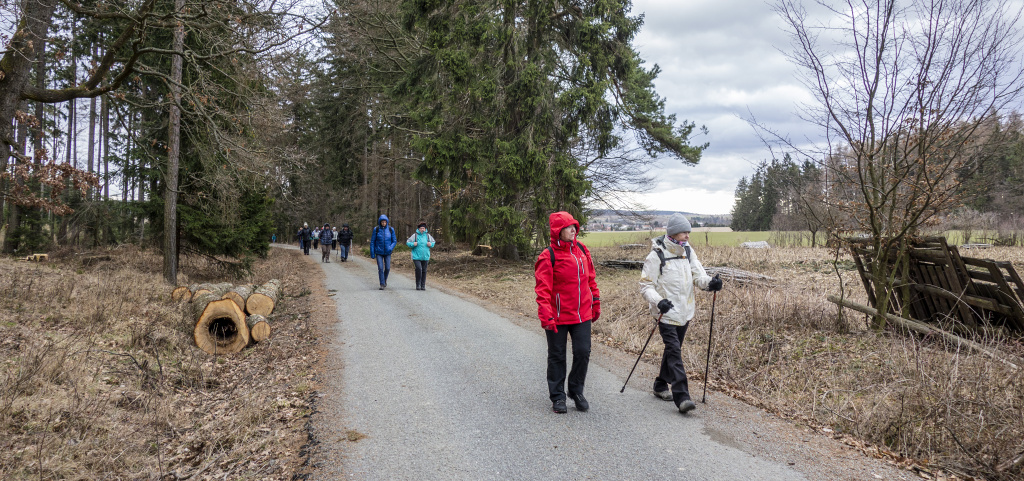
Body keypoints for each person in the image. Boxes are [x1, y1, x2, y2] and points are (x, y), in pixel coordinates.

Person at [639, 213, 723, 415]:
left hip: (685, 311)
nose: (687, 236)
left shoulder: (687, 251)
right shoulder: (656, 255)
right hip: (666, 313)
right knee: (675, 351)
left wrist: (710, 283)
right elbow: (645, 286)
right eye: (685, 232)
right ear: (674, 232)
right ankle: (682, 396)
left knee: (672, 351)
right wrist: (659, 301)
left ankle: (660, 384)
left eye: (688, 232)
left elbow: (698, 275)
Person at [534, 211, 600, 414]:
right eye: (569, 227)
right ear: (557, 231)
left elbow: (590, 278)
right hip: (558, 316)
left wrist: (595, 300)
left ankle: (576, 390)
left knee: (583, 352)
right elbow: (542, 289)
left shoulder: (582, 250)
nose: (574, 230)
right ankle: (557, 397)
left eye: (575, 226)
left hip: (582, 314)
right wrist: (546, 315)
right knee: (557, 356)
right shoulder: (548, 255)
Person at [406, 221, 436, 290]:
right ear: (418, 229)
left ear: (425, 229)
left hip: (425, 256)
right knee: (419, 269)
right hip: (416, 256)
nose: (422, 229)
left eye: (423, 228)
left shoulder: (428, 236)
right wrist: (413, 244)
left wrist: (430, 244)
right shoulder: (415, 235)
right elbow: (408, 242)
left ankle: (423, 285)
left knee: (424, 270)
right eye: (421, 228)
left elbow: (433, 242)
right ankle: (418, 284)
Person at [370, 214, 397, 289]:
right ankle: (382, 284)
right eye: (382, 222)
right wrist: (372, 253)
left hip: (388, 252)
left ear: (387, 222)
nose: (384, 223)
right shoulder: (376, 229)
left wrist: (390, 248)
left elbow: (394, 241)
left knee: (387, 268)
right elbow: (372, 241)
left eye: (385, 222)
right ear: (380, 222)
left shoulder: (391, 229)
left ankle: (384, 279)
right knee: (381, 268)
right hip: (379, 252)